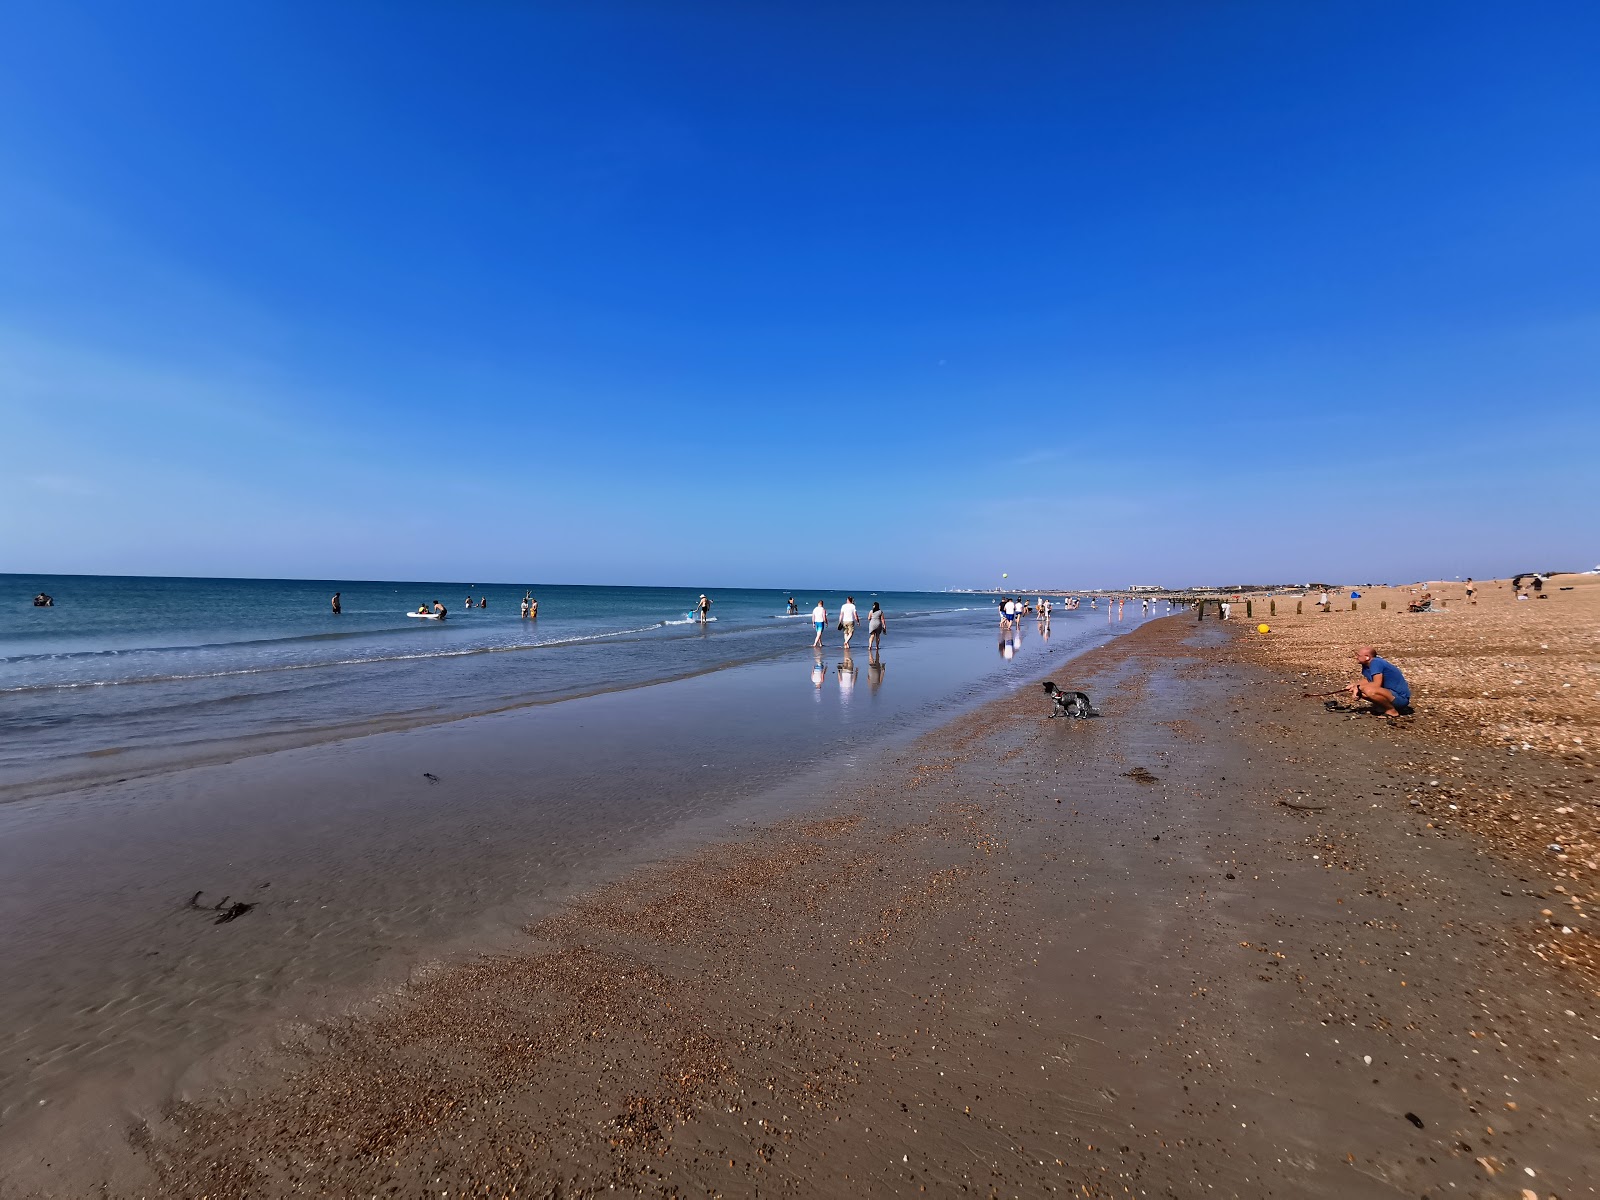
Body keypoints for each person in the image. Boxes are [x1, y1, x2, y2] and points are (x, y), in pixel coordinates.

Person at [1347, 646, 1412, 717]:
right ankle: (1383, 706)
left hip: (1400, 698)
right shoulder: (1366, 665)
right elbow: (1369, 680)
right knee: (1360, 691)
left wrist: (1358, 688)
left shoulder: (1376, 663)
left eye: (1358, 655)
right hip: (1389, 694)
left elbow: (1376, 684)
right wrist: (1354, 685)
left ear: (1367, 657)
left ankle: (1391, 710)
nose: (1356, 657)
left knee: (1368, 690)